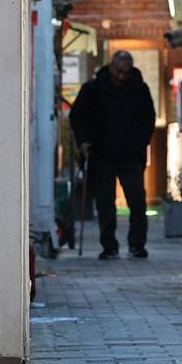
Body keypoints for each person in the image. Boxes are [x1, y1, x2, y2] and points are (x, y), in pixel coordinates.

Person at [69, 50, 156, 259]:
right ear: (110, 67)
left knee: (137, 201)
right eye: (118, 72)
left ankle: (137, 244)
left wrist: (141, 142)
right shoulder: (92, 89)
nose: (121, 77)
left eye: (125, 73)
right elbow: (77, 116)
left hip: (131, 154)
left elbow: (148, 118)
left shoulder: (139, 89)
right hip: (102, 153)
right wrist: (84, 141)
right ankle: (109, 245)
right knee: (105, 202)